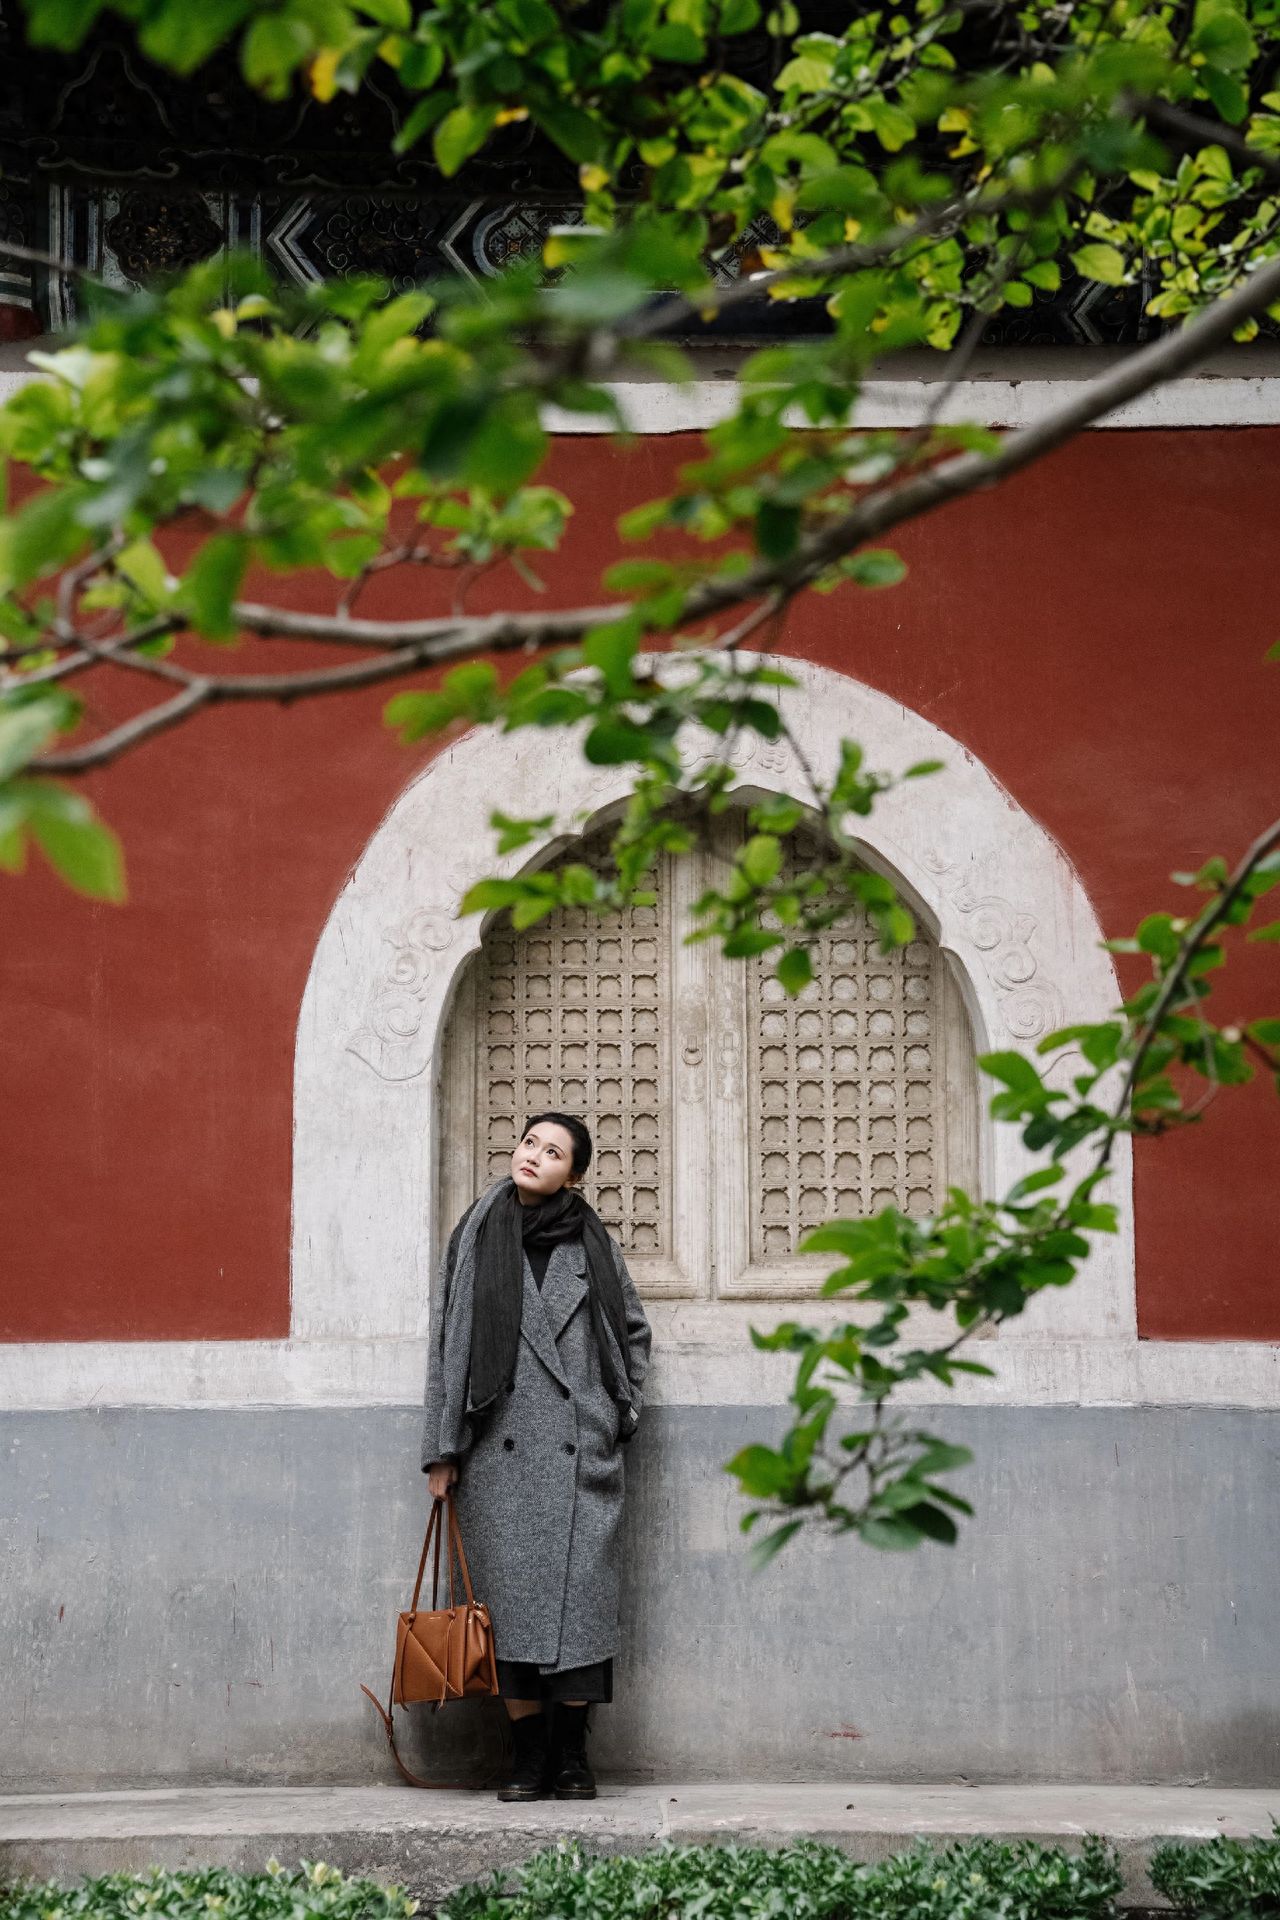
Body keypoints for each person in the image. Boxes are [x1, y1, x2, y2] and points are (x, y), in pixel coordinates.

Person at [421, 1111, 653, 1801]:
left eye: (553, 1152)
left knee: (580, 1611)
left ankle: (572, 1756)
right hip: (497, 1451)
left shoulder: (592, 1246)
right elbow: (446, 1349)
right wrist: (442, 1451)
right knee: (508, 1616)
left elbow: (633, 1333)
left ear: (572, 1175)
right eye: (530, 1143)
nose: (534, 1156)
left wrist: (616, 1412)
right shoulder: (475, 1236)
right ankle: (525, 1758)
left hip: (580, 1453)